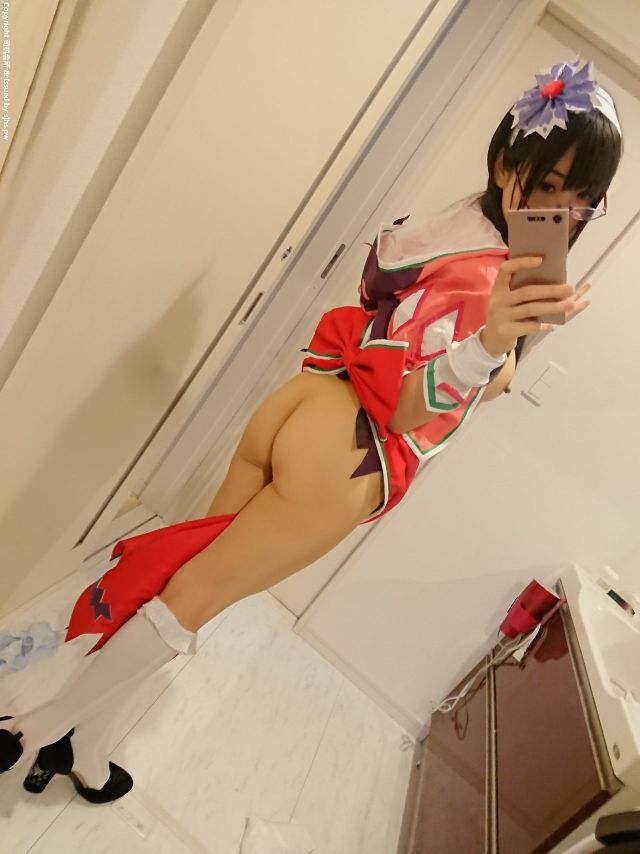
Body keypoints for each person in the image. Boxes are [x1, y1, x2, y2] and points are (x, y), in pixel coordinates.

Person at [0, 57, 623, 803]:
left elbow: (397, 318)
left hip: (305, 402)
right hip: (346, 458)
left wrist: (505, 343)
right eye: (549, 185)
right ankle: (33, 728)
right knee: (193, 600)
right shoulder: (490, 277)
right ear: (506, 164)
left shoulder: (456, 225)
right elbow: (410, 408)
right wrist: (492, 347)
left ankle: (90, 747)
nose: (562, 211)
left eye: (582, 199)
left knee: (185, 577)